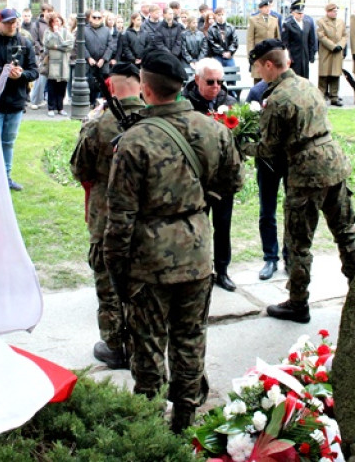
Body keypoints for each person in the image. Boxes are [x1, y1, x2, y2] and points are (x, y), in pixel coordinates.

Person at [103, 49, 243, 433]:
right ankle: (184, 423)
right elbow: (233, 183)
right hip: (196, 254)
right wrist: (198, 203)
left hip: (148, 263)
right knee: (190, 340)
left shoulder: (134, 140)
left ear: (145, 89)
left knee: (147, 348)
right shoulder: (213, 129)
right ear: (182, 86)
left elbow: (119, 218)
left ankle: (148, 432)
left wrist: (115, 268)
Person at [250, 39, 355, 323]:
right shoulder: (307, 85)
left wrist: (241, 145)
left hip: (306, 172)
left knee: (298, 242)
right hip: (334, 162)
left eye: (259, 68)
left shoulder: (277, 99)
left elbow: (269, 148)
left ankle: (298, 303)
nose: (258, 74)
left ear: (269, 65)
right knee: (346, 234)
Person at [70, 62, 146, 371]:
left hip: (107, 215)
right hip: (146, 214)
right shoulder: (157, 120)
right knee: (142, 279)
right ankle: (143, 341)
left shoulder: (99, 124)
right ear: (141, 85)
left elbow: (80, 169)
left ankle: (115, 344)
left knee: (107, 277)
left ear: (111, 87)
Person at [182, 58, 239, 292]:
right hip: (197, 179)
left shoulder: (230, 102)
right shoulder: (186, 105)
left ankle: (222, 270)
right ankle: (198, 271)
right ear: (197, 80)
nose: (216, 86)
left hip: (223, 178)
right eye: (210, 82)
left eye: (219, 82)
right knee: (196, 227)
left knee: (223, 226)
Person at [0, 7, 39, 191]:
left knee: (8, 142)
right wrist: (4, 72)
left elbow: (34, 71)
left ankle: (5, 178)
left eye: (14, 22)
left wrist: (21, 75)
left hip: (16, 101)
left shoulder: (24, 42)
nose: (12, 26)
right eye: (8, 23)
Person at [247, 79, 284, 280]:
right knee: (267, 211)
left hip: (290, 158)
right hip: (266, 160)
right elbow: (248, 125)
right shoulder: (257, 91)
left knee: (294, 209)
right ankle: (270, 257)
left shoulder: (292, 88)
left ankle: (291, 255)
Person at [42, 13, 74, 116]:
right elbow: (47, 44)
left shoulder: (65, 32)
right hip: (53, 62)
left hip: (64, 62)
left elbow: (69, 45)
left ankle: (60, 107)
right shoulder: (48, 32)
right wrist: (54, 35)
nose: (57, 23)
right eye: (55, 21)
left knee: (62, 86)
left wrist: (57, 46)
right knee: (52, 85)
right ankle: (51, 108)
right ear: (51, 23)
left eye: (59, 21)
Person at [316, 3, 346, 106]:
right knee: (324, 75)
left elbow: (345, 35)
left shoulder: (341, 22)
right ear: (328, 12)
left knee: (335, 75)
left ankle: (334, 97)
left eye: (336, 11)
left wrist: (341, 45)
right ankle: (321, 96)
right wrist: (333, 46)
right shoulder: (321, 22)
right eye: (333, 11)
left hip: (337, 53)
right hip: (326, 52)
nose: (335, 13)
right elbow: (321, 36)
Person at [84, 10, 115, 106]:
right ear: (90, 18)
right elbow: (80, 45)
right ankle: (91, 103)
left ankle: (101, 105)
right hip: (89, 64)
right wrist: (88, 58)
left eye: (99, 17)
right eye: (94, 17)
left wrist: (104, 59)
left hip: (103, 64)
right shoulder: (84, 30)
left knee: (103, 86)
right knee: (90, 85)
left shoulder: (106, 30)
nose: (96, 19)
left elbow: (111, 46)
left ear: (102, 19)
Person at [247, 0, 280, 83]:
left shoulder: (274, 19)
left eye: (269, 7)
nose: (268, 9)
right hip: (259, 54)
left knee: (271, 79)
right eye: (265, 7)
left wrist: (278, 53)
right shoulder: (253, 20)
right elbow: (250, 40)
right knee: (258, 79)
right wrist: (251, 55)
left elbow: (277, 38)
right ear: (260, 8)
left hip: (271, 54)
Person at [281, 0, 317, 79]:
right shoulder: (288, 24)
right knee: (294, 79)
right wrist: (288, 57)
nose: (301, 15)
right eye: (298, 13)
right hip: (294, 58)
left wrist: (311, 55)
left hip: (305, 57)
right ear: (293, 13)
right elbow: (285, 43)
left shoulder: (307, 23)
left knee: (305, 79)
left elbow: (311, 41)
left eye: (302, 13)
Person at [29, 4, 54, 110]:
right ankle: (35, 100)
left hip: (53, 55)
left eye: (51, 11)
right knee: (40, 78)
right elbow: (34, 40)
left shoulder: (53, 23)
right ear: (43, 12)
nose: (50, 13)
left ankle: (45, 100)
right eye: (48, 11)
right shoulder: (37, 24)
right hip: (41, 56)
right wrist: (41, 51)